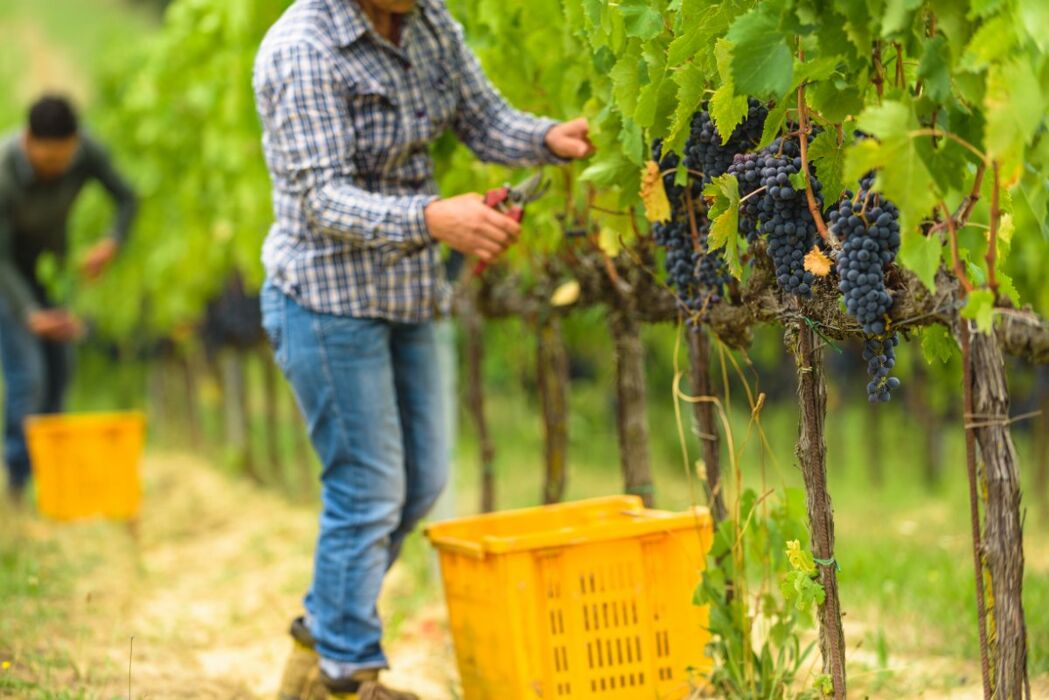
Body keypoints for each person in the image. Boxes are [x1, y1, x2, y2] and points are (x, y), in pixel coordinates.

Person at [253, 0, 593, 697]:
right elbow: (322, 200)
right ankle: (349, 673)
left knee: (423, 482)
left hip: (408, 292)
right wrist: (434, 217)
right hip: (326, 299)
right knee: (369, 491)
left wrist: (548, 138)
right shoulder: (301, 48)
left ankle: (317, 639)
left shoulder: (431, 24)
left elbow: (485, 119)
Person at [0, 95, 137, 504]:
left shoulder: (85, 152)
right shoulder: (3, 172)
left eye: (63, 163)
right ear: (28, 141)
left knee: (60, 373)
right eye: (46, 164)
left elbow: (127, 197)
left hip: (50, 273)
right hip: (6, 278)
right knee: (29, 375)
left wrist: (112, 242)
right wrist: (29, 313)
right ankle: (18, 483)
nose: (56, 170)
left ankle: (52, 478)